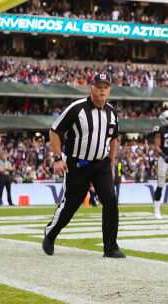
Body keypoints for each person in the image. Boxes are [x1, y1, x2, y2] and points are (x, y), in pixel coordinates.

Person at [43, 72, 124, 258]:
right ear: (92, 88)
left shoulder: (112, 112)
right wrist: (57, 158)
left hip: (101, 164)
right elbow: (55, 132)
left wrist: (111, 164)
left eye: (105, 87)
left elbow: (113, 139)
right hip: (78, 163)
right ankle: (51, 234)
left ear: (109, 90)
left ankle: (110, 247)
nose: (102, 90)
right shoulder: (76, 108)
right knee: (71, 204)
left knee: (110, 200)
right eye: (99, 86)